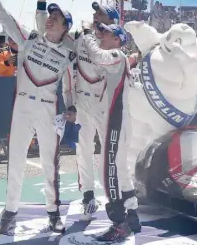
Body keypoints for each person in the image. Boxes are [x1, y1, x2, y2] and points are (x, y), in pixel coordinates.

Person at [0, 0, 76, 235]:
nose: (50, 19)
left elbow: (70, 85)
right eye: (50, 15)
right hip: (22, 107)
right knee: (16, 162)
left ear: (65, 27)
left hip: (48, 111)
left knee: (50, 163)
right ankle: (10, 214)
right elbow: (2, 15)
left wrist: (71, 107)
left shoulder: (69, 53)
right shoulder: (28, 39)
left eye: (56, 18)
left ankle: (53, 213)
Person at [38, 0, 122, 223]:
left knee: (110, 153)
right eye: (95, 13)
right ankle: (88, 196)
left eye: (101, 14)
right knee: (82, 150)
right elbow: (68, 70)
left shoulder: (114, 43)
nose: (95, 16)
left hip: (105, 105)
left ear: (112, 21)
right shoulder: (80, 39)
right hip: (82, 103)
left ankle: (115, 196)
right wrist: (69, 103)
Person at [80, 22, 141, 241]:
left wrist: (87, 34)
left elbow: (96, 55)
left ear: (117, 39)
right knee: (120, 168)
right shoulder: (119, 58)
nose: (101, 35)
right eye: (100, 32)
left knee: (109, 172)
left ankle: (119, 223)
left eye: (106, 33)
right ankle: (132, 215)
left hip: (115, 121)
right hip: (117, 120)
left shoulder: (116, 54)